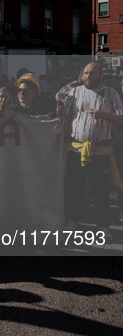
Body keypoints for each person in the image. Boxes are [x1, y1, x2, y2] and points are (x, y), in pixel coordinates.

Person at [63, 62, 123, 240]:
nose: (89, 76)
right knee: (74, 188)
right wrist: (61, 142)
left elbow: (121, 118)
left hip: (100, 151)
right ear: (82, 75)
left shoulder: (111, 93)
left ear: (101, 75)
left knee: (100, 192)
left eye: (93, 73)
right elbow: (67, 118)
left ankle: (103, 226)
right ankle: (72, 221)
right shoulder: (75, 92)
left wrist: (103, 115)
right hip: (75, 149)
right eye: (86, 73)